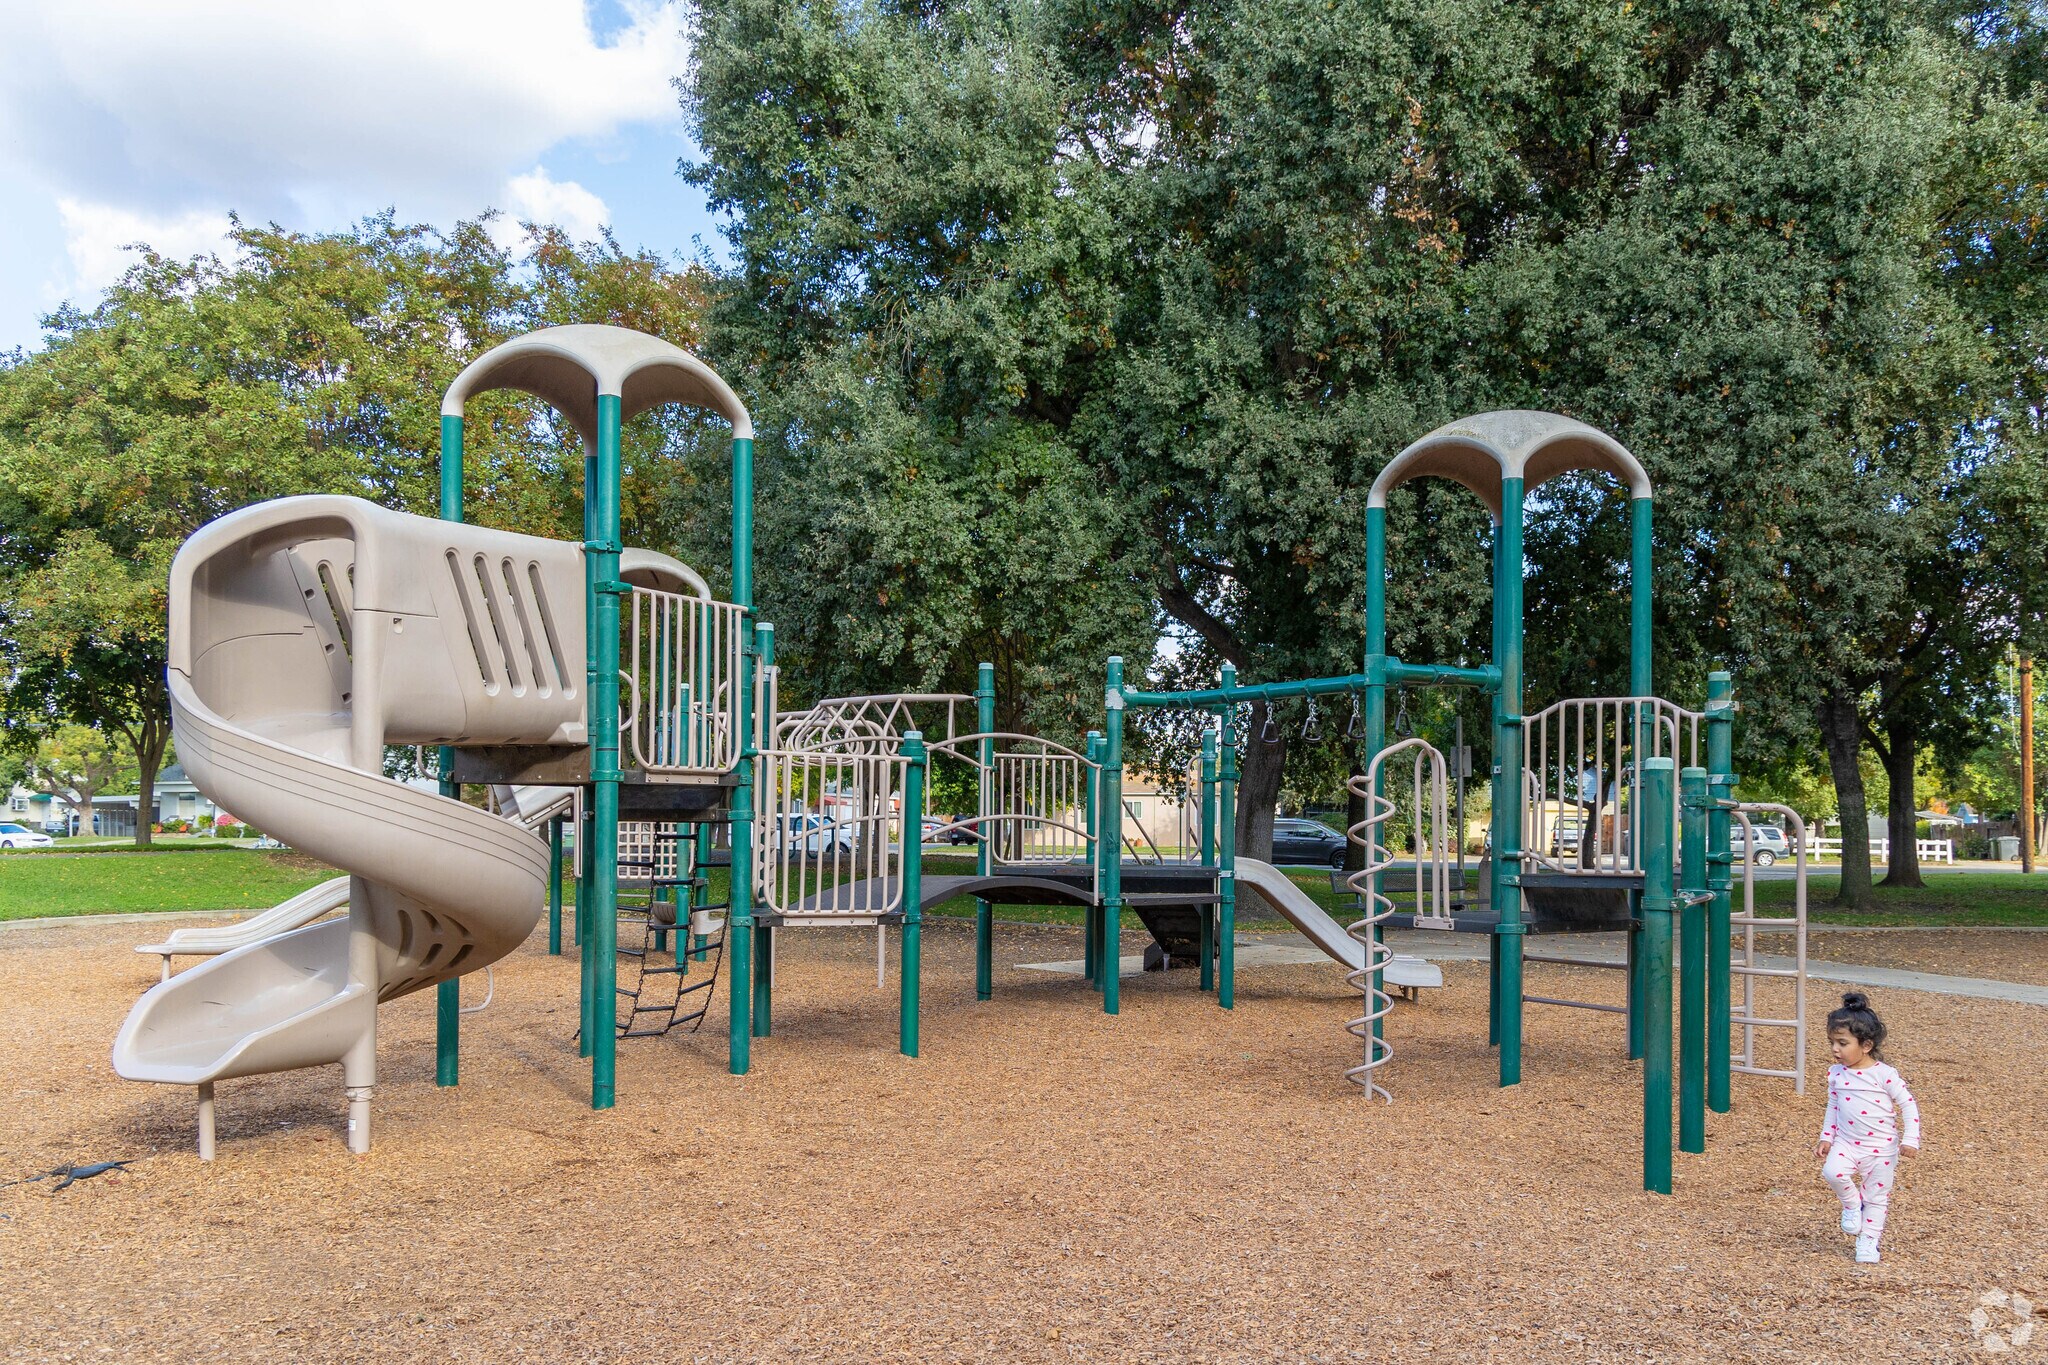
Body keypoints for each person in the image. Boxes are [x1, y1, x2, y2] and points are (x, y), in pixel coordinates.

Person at [1812, 992, 1920, 1263]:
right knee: (1832, 1172)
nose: (1835, 1049)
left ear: (1866, 1045)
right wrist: (1827, 1136)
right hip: (1846, 1143)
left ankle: (1868, 1241)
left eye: (1842, 1043)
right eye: (1832, 1042)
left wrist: (1911, 1139)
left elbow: (1908, 1105)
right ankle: (1852, 1204)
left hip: (1881, 1149)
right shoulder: (1837, 1074)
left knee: (1876, 1197)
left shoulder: (1884, 1075)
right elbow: (1833, 1106)